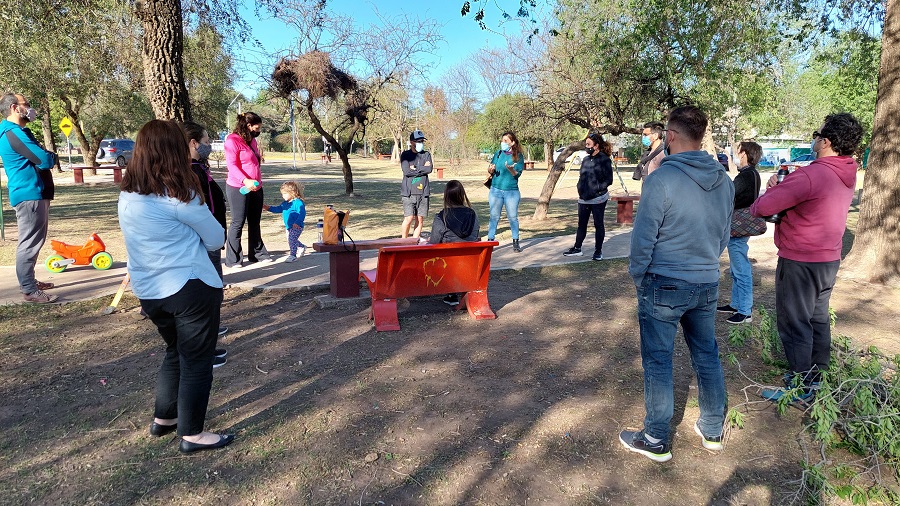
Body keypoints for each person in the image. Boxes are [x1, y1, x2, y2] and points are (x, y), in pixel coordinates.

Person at [623, 105, 734, 462]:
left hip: (664, 282)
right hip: (705, 280)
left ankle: (656, 438)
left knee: (658, 360)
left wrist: (639, 276)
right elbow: (722, 236)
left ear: (670, 136)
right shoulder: (724, 181)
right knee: (707, 354)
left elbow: (643, 239)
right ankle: (713, 427)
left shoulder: (661, 180)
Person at [118, 119, 234, 454]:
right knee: (197, 360)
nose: (191, 149)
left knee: (175, 351)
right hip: (189, 288)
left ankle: (164, 419)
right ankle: (193, 433)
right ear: (174, 150)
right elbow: (215, 238)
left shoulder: (127, 194)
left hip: (150, 290)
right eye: (186, 144)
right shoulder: (180, 196)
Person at [750, 113, 862, 404]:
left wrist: (774, 188)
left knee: (795, 322)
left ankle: (800, 387)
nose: (814, 139)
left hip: (801, 259)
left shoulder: (812, 174)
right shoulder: (847, 171)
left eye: (816, 134)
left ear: (825, 141)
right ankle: (817, 379)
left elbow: (761, 208)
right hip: (828, 259)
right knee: (817, 319)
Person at [0, 93, 58, 303]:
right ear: (15, 108)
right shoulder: (13, 133)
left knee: (34, 241)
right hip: (29, 194)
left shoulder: (19, 132)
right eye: (27, 104)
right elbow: (43, 159)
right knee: (29, 243)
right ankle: (29, 290)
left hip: (34, 192)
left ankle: (30, 282)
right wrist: (50, 156)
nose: (30, 108)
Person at [183, 121, 230, 349]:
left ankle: (211, 322)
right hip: (204, 239)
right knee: (209, 285)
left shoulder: (199, 168)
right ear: (193, 143)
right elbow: (203, 209)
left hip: (212, 237)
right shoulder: (191, 172)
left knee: (214, 282)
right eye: (207, 141)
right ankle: (206, 327)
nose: (209, 146)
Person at [717, 141, 763, 325]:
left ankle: (745, 310)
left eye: (737, 152)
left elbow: (729, 195)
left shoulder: (747, 175)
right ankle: (736, 304)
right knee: (737, 269)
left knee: (741, 269)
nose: (735, 154)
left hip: (739, 227)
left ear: (744, 154)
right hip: (739, 226)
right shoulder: (748, 174)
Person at [224, 112, 270, 268]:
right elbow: (232, 166)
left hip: (257, 187)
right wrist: (245, 180)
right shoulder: (232, 141)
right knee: (238, 222)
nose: (259, 130)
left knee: (255, 221)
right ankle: (233, 259)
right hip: (238, 187)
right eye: (258, 127)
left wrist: (256, 181)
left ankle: (257, 253)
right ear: (249, 126)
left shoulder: (252, 141)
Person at [562, 132, 614, 261]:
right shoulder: (585, 159)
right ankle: (577, 248)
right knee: (581, 224)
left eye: (588, 144)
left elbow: (609, 180)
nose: (586, 146)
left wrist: (596, 189)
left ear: (596, 146)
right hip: (583, 198)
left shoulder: (604, 159)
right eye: (586, 144)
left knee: (598, 224)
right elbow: (582, 176)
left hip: (598, 198)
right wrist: (580, 187)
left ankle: (598, 251)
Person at [428, 180, 480, 305]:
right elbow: (475, 236)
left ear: (446, 196)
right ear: (462, 195)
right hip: (469, 264)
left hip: (447, 266)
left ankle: (451, 293)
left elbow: (433, 243)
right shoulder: (473, 215)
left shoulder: (442, 217)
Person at [486, 131, 525, 252]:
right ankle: (490, 241)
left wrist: (511, 169)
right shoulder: (498, 153)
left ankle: (515, 241)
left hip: (511, 192)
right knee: (494, 216)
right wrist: (490, 169)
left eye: (505, 141)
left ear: (512, 142)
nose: (503, 143)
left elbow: (517, 175)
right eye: (502, 140)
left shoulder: (518, 156)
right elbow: (490, 169)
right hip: (495, 190)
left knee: (513, 217)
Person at [399, 129, 433, 238]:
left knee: (420, 219)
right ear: (411, 142)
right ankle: (403, 243)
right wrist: (423, 168)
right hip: (408, 193)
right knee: (409, 218)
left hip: (423, 193)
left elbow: (429, 169)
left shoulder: (426, 154)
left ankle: (414, 243)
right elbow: (406, 172)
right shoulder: (405, 155)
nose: (421, 143)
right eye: (418, 141)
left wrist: (416, 168)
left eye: (422, 141)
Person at [264, 181, 307, 262]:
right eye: (282, 194)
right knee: (291, 239)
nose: (283, 196)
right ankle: (301, 247)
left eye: (285, 193)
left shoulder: (298, 202)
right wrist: (268, 208)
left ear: (292, 192)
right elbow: (278, 209)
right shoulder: (285, 203)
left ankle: (293, 255)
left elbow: (302, 213)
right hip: (289, 226)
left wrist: (297, 222)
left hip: (297, 226)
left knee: (292, 239)